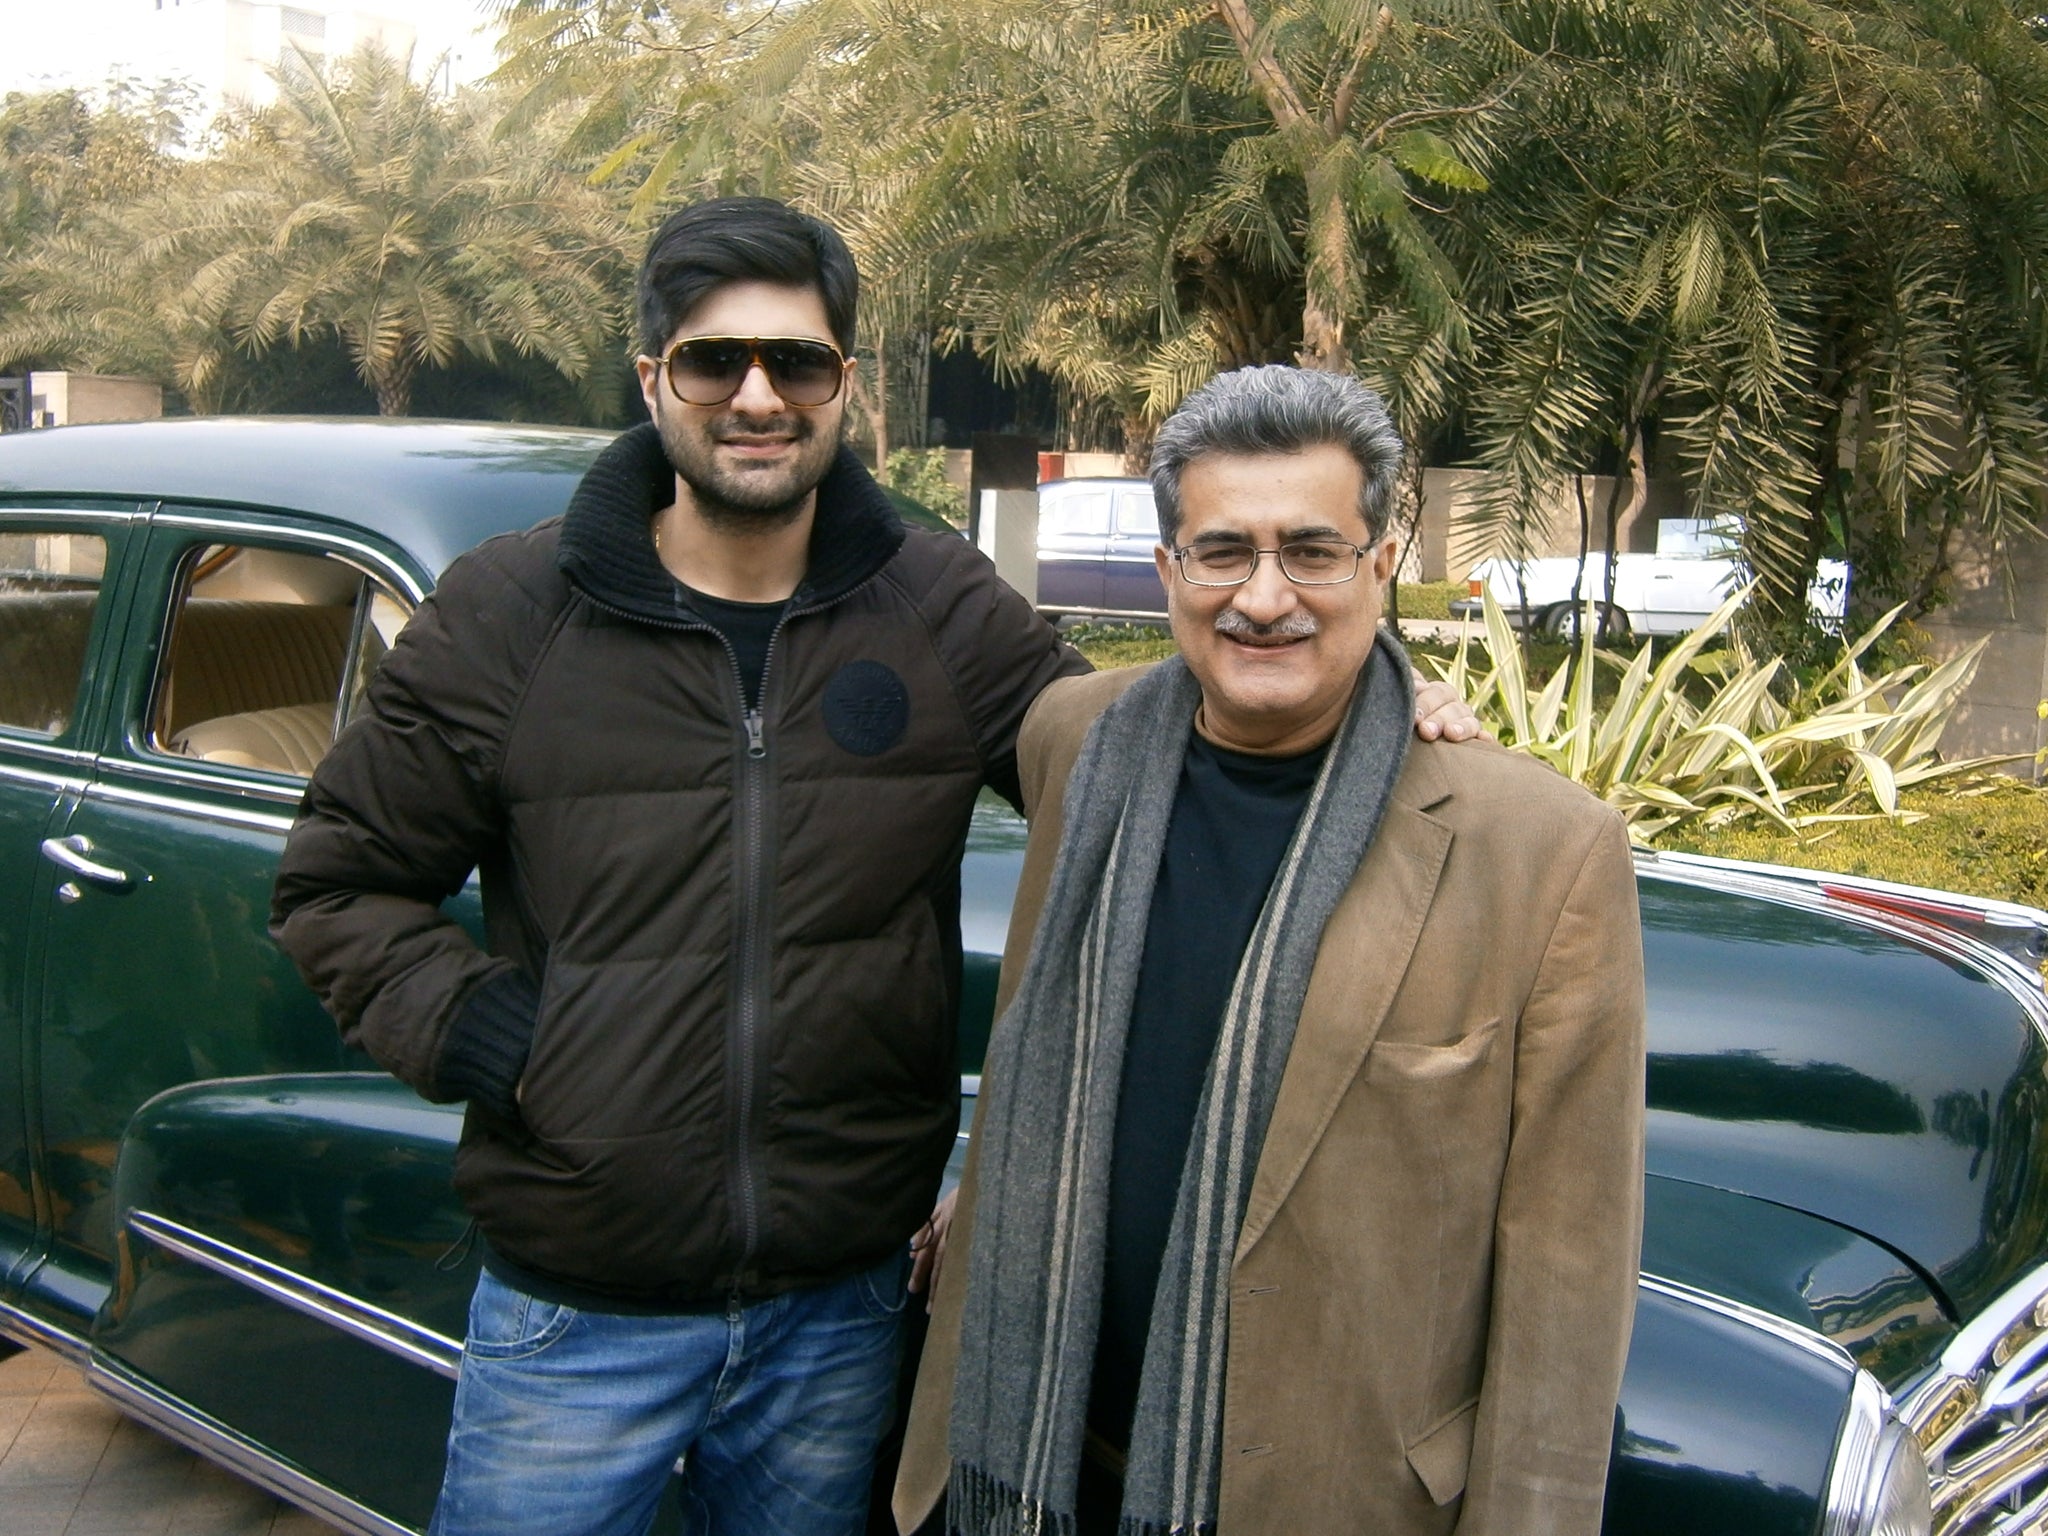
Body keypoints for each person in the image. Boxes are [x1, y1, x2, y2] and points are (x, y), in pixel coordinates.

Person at [270, 201, 1480, 1536]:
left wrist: (1374, 686)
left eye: (796, 362)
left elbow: (1143, 758)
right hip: (579, 1313)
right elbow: (338, 887)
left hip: (839, 1313)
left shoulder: (931, 602)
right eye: (713, 361)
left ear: (845, 382)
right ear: (652, 381)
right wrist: (514, 1043)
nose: (756, 396)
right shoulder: (509, 614)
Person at [896, 366, 1646, 1536]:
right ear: (1166, 573)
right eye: (1221, 552)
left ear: (1379, 567)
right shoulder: (1073, 746)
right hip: (1030, 1460)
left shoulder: (1539, 852)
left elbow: (1568, 1281)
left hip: (1323, 1493)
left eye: (1310, 551)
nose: (1262, 598)